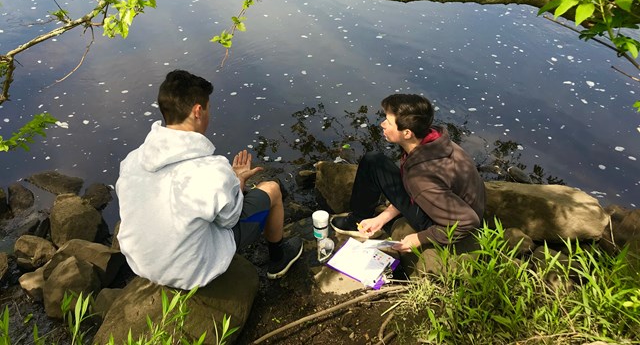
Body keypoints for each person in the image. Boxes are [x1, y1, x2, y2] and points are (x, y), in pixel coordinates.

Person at [116, 69, 303, 290]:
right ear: (197, 111)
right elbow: (230, 219)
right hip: (191, 270)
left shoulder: (132, 161)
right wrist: (236, 182)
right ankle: (279, 260)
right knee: (272, 189)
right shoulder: (210, 169)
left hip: (143, 263)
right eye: (208, 108)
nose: (209, 115)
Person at [331, 94, 485, 251]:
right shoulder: (433, 140)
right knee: (373, 161)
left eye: (388, 122)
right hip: (448, 204)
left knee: (374, 164)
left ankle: (355, 222)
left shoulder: (421, 179)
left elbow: (468, 222)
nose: (382, 124)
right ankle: (362, 218)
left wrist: (419, 238)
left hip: (440, 221)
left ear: (407, 133)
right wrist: (383, 217)